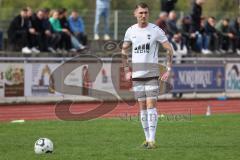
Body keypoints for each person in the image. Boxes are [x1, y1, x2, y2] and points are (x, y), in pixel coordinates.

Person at [122, 2, 173, 149]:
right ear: (135, 14)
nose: (143, 15)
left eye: (146, 12)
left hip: (151, 73)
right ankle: (146, 139)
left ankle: (152, 140)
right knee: (142, 107)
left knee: (151, 105)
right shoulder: (130, 31)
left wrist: (168, 69)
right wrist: (126, 69)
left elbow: (169, 49)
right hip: (137, 74)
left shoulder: (156, 30)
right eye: (141, 13)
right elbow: (124, 51)